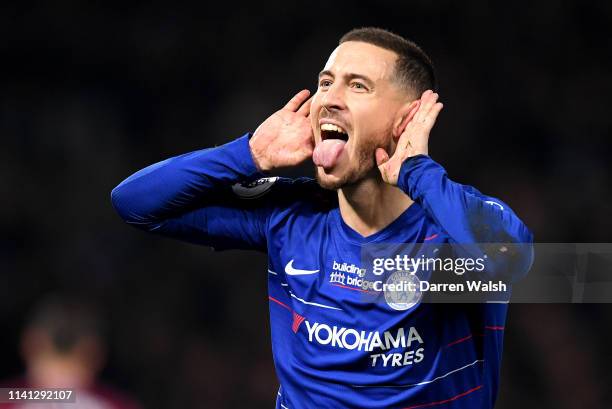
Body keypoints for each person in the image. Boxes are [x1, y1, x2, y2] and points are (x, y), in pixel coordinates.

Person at [111, 27, 533, 409]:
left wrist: (417, 171)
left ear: (408, 117)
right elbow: (135, 204)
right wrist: (248, 155)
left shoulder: (454, 228)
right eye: (325, 83)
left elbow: (514, 263)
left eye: (358, 86)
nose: (328, 99)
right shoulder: (290, 215)